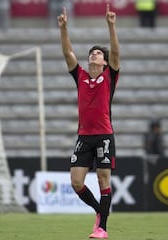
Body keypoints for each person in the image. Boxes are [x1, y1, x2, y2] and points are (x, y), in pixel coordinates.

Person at [58, 4, 120, 239]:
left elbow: (115, 53)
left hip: (104, 134)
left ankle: (102, 228)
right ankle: (99, 211)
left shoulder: (109, 76)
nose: (93, 54)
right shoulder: (80, 76)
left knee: (104, 179)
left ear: (104, 62)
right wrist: (64, 29)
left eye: (98, 53)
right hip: (84, 136)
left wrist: (111, 25)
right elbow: (67, 53)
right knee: (76, 182)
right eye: (91, 52)